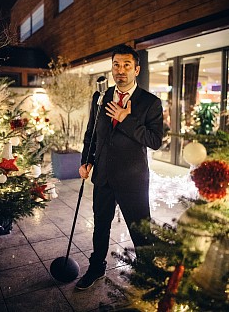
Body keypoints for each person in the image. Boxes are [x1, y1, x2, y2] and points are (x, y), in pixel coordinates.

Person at [76, 44, 163, 290]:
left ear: (137, 69)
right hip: (103, 175)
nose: (120, 70)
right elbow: (91, 133)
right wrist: (87, 160)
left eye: (126, 65)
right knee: (100, 225)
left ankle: (148, 270)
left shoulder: (150, 103)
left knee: (140, 229)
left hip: (133, 178)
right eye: (116, 65)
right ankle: (96, 267)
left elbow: (155, 141)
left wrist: (127, 119)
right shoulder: (100, 97)